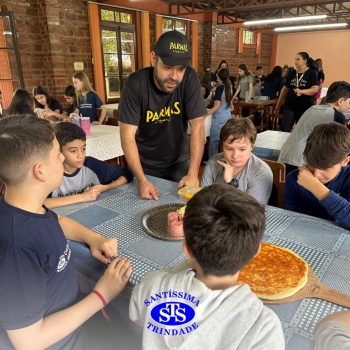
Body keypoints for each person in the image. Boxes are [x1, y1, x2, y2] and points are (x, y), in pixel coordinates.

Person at [0, 115, 132, 349]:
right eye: (56, 154)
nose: (62, 157)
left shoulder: (27, 204)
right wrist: (102, 295)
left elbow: (57, 219)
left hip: (73, 322)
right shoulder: (15, 248)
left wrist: (92, 238)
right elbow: (29, 341)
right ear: (40, 171)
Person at [129, 184, 285, 350]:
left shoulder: (152, 286)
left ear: (187, 250)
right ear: (256, 251)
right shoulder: (264, 328)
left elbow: (137, 316)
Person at [118, 30, 206, 200]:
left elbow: (198, 125)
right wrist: (142, 181)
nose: (174, 76)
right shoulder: (135, 84)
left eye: (181, 69)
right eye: (167, 67)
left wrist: (193, 173)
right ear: (153, 59)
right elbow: (127, 136)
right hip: (145, 165)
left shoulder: (189, 78)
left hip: (179, 162)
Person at [44, 122, 134, 208]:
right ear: (58, 151)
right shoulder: (48, 173)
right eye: (73, 151)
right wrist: (82, 197)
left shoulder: (91, 165)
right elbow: (35, 204)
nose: (81, 155)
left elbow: (127, 174)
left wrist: (106, 187)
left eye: (83, 148)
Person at [283, 122, 350, 229]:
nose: (316, 174)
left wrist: (314, 186)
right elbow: (288, 219)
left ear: (345, 161)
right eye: (311, 164)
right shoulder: (294, 179)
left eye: (325, 168)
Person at [278, 81, 350, 174]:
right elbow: (335, 144)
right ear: (340, 101)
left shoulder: (313, 108)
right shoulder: (337, 116)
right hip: (301, 161)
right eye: (349, 102)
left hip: (286, 155)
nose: (348, 107)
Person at [200, 118, 273, 204]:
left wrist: (230, 182)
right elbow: (202, 200)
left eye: (242, 149)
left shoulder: (261, 172)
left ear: (252, 146)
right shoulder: (213, 163)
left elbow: (251, 212)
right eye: (229, 149)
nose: (235, 156)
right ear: (222, 146)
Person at [274, 52, 319, 132]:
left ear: (305, 61)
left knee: (302, 131)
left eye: (298, 59)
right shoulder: (292, 73)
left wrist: (302, 91)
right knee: (285, 128)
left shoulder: (312, 73)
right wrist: (278, 105)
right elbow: (285, 89)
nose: (295, 61)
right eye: (295, 59)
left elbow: (315, 89)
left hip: (304, 106)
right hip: (290, 105)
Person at [206, 67, 232, 158]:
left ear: (219, 76)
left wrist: (206, 114)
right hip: (228, 116)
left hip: (219, 118)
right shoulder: (229, 86)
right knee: (225, 140)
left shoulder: (219, 88)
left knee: (214, 141)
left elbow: (217, 106)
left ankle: (212, 162)